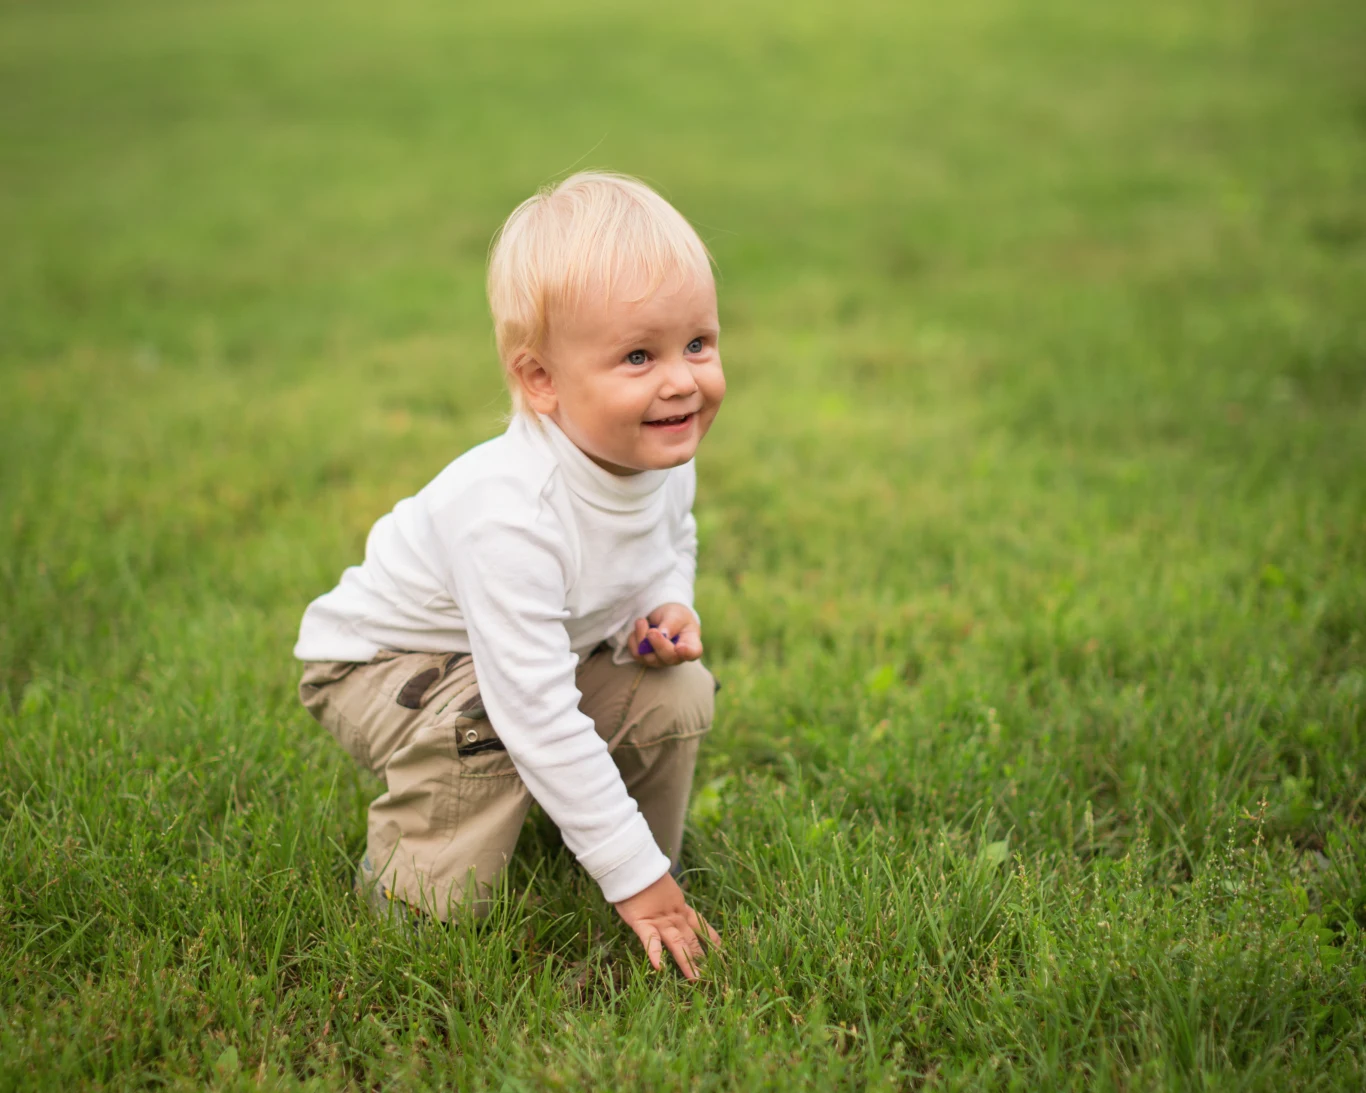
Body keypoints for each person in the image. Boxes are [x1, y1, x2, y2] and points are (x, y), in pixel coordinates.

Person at [294, 171, 725, 979]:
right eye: (639, 355)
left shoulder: (660, 450)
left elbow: (671, 541)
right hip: (373, 666)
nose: (680, 379)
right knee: (491, 721)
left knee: (678, 689)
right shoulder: (510, 512)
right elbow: (536, 712)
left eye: (697, 343)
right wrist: (637, 884)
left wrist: (668, 603)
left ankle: (630, 858)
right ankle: (411, 913)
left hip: (509, 665)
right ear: (542, 381)